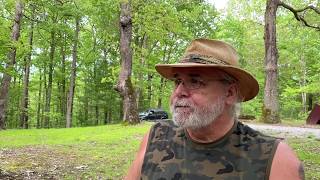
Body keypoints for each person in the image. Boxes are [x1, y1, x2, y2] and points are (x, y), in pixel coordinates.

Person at [125, 39, 304, 180]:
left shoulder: (274, 159)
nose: (179, 92)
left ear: (230, 93)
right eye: (178, 81)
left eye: (195, 81)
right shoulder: (157, 136)